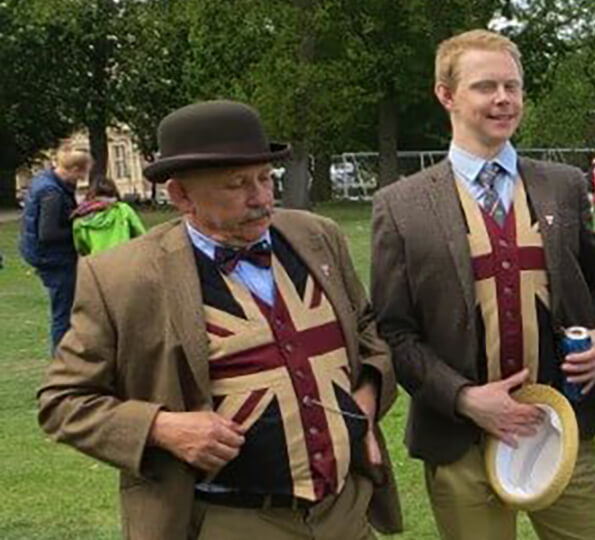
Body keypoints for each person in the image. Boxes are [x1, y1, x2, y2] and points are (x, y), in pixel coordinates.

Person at [38, 99, 399, 539]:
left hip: (344, 512)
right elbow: (63, 401)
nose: (261, 198)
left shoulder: (317, 236)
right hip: (230, 521)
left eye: (265, 177)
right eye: (236, 184)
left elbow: (365, 331)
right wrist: (161, 428)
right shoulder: (122, 278)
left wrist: (365, 398)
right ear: (181, 196)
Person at [369, 29, 595, 540]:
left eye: (513, 86)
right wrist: (464, 398)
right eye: (486, 86)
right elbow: (393, 332)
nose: (503, 99)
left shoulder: (562, 185)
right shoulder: (401, 205)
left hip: (561, 426)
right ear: (446, 95)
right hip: (459, 441)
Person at [19, 149, 91, 351]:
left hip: (44, 254)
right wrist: (79, 229)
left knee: (65, 309)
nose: (82, 179)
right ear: (74, 169)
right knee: (63, 312)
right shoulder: (51, 193)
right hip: (53, 259)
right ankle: (61, 357)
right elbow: (48, 234)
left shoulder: (46, 181)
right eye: (82, 173)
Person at [71, 180, 146, 256]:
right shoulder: (123, 210)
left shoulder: (81, 220)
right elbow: (141, 235)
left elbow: (81, 248)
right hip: (124, 257)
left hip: (98, 260)